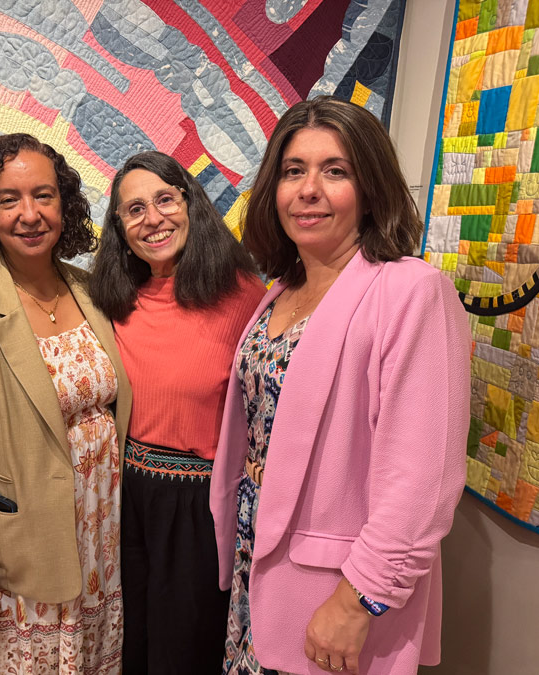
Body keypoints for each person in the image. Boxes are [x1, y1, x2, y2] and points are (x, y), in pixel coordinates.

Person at [210, 96, 471, 675]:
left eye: (335, 171)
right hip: (259, 563)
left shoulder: (412, 292)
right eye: (293, 171)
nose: (309, 190)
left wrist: (360, 599)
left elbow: (424, 480)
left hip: (337, 591)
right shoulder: (282, 290)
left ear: (370, 188)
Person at [0, 133, 132, 673]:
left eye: (44, 195)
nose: (30, 214)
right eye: (9, 199)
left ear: (64, 204)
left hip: (103, 533)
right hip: (25, 548)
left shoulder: (92, 290)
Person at [88, 151, 265, 674]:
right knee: (129, 643)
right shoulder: (113, 299)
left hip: (199, 504)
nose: (153, 219)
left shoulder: (242, 295)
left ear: (190, 203)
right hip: (124, 497)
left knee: (183, 651)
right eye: (134, 209)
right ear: (120, 228)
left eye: (164, 199)